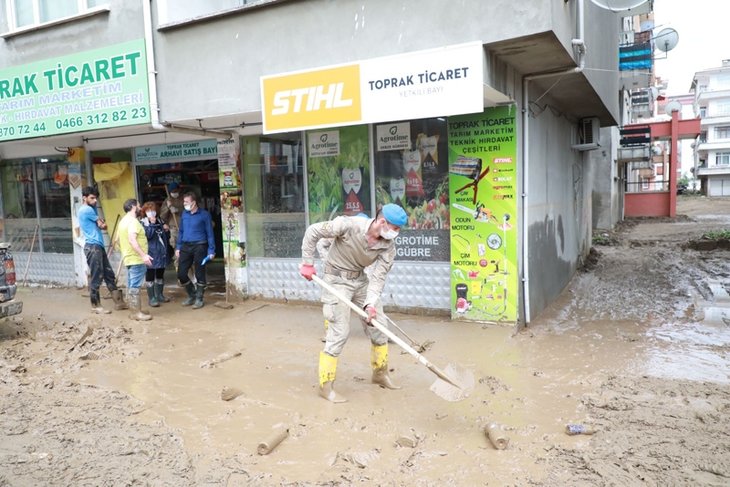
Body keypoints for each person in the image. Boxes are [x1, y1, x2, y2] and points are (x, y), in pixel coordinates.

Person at [299, 204, 407, 403]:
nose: (396, 234)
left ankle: (380, 374)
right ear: (382, 222)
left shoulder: (388, 247)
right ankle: (326, 386)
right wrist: (307, 262)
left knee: (379, 327)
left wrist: (370, 304)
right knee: (339, 332)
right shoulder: (348, 225)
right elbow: (312, 231)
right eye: (395, 229)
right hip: (336, 280)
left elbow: (378, 279)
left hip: (360, 281)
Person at [78, 187, 127, 314]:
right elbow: (102, 225)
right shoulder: (87, 209)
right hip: (93, 247)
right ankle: (95, 306)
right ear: (84, 197)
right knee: (97, 276)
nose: (95, 201)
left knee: (109, 274)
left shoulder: (89, 208)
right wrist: (103, 223)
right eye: (92, 198)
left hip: (97, 246)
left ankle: (119, 302)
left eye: (96, 198)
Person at [176, 192, 215, 309]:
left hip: (200, 246)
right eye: (184, 202)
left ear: (194, 202)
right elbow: (181, 231)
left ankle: (199, 298)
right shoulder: (184, 214)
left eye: (186, 202)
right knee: (181, 273)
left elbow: (210, 233)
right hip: (186, 246)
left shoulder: (204, 215)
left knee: (199, 272)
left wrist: (211, 250)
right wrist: (178, 247)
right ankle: (192, 294)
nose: (184, 204)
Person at [118, 199, 154, 321]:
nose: (140, 208)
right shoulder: (133, 222)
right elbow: (132, 239)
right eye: (139, 206)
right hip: (136, 259)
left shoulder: (123, 221)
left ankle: (135, 310)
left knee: (131, 284)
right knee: (135, 286)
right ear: (133, 207)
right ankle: (135, 313)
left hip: (129, 257)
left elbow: (118, 240)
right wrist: (143, 255)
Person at [140, 201, 170, 307]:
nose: (151, 213)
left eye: (153, 210)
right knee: (150, 274)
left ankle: (160, 295)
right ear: (144, 212)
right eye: (148, 211)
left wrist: (166, 229)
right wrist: (152, 224)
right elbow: (148, 235)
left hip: (161, 252)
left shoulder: (160, 220)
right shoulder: (143, 222)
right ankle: (152, 298)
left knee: (160, 274)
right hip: (150, 252)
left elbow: (165, 236)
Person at [160, 182, 183, 254]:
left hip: (185, 226)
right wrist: (168, 207)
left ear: (179, 190)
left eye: (176, 191)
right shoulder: (167, 201)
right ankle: (177, 264)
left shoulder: (184, 198)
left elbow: (188, 211)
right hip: (174, 227)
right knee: (176, 247)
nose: (174, 193)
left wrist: (177, 210)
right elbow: (162, 216)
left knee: (187, 246)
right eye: (173, 192)